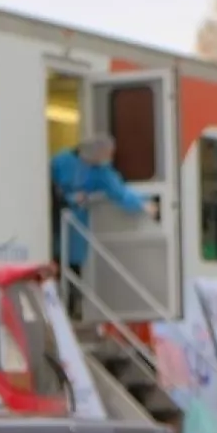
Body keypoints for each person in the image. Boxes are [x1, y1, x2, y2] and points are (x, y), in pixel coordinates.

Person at [49, 135, 154, 320]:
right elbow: (46, 183)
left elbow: (119, 192)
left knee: (74, 267)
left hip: (75, 227)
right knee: (55, 261)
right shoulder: (61, 161)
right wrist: (63, 196)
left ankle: (70, 308)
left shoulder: (101, 172)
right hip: (54, 220)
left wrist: (142, 204)